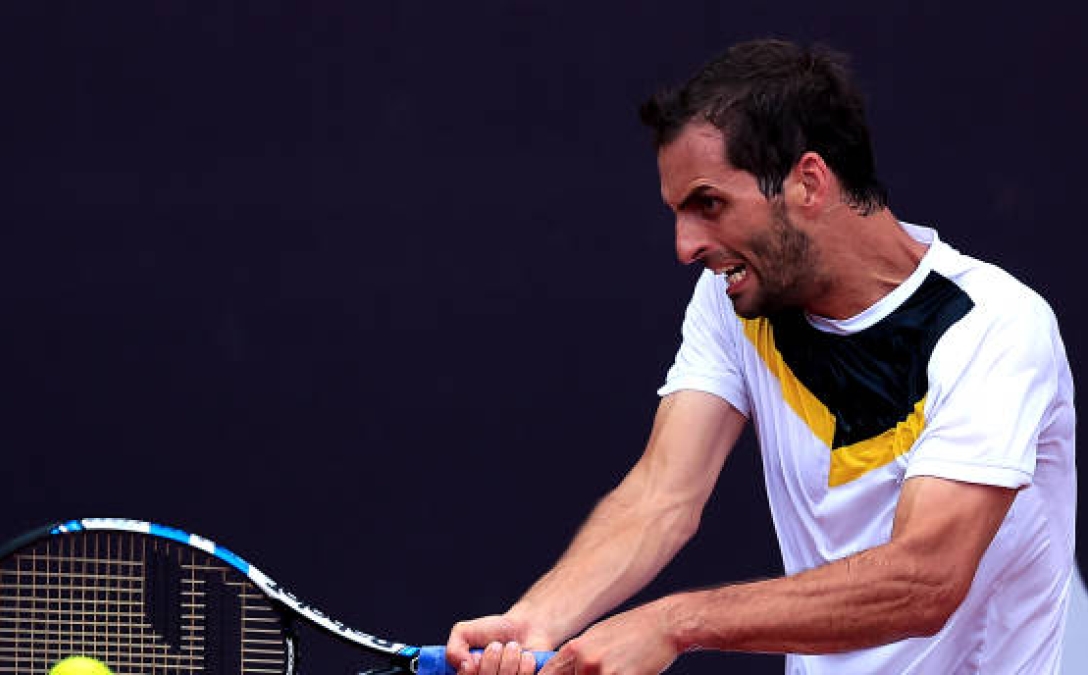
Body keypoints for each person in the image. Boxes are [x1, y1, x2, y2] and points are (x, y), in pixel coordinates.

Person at [444, 39, 1077, 675]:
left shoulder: (995, 327)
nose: (686, 246)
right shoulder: (734, 301)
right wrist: (537, 619)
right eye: (679, 213)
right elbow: (662, 495)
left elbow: (924, 579)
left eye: (709, 204)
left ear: (808, 182)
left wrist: (676, 624)